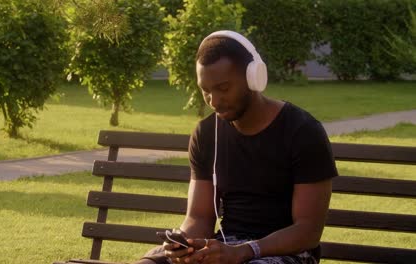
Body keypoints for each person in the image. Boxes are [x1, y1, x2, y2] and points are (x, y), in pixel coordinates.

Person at [136, 30, 338, 264]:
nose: (214, 100)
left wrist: (244, 250)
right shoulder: (206, 133)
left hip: (287, 253)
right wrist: (184, 245)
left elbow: (308, 232)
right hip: (227, 246)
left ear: (253, 77)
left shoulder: (303, 131)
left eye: (223, 88)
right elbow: (199, 218)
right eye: (206, 90)